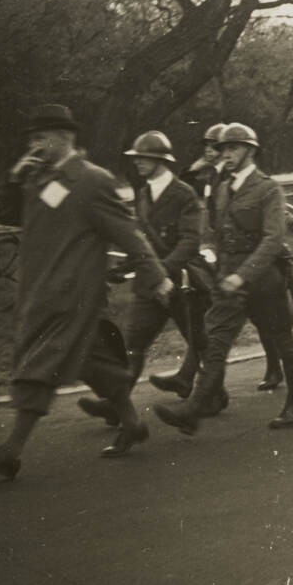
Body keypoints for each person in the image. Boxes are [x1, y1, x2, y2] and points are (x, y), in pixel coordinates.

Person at [0, 105, 173, 478]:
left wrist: (157, 276)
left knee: (38, 366)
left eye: (39, 138)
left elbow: (129, 233)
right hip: (42, 294)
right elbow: (8, 215)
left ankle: (10, 451)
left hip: (70, 298)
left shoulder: (92, 180)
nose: (33, 145)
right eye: (31, 139)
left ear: (64, 139)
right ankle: (131, 423)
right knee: (92, 362)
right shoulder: (37, 179)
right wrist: (14, 179)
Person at [154, 124, 293, 435]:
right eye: (223, 150)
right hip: (228, 280)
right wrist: (215, 261)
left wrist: (243, 276)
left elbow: (273, 240)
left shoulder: (267, 189)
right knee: (215, 342)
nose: (227, 155)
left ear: (250, 151)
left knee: (282, 340)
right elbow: (215, 233)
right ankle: (193, 409)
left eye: (234, 148)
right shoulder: (222, 188)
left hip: (264, 280)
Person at [110, 132, 215, 414]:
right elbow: (141, 241)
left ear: (160, 160)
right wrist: (125, 267)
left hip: (181, 284)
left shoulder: (184, 194)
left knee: (200, 342)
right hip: (150, 286)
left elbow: (190, 241)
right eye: (136, 158)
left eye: (145, 158)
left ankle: (214, 394)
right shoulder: (143, 193)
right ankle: (116, 404)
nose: (139, 163)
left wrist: (162, 271)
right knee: (133, 343)